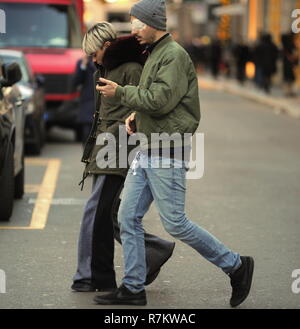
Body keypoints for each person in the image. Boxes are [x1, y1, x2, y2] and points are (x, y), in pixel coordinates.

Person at [93, 0, 254, 307]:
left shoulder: (173, 55)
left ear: (153, 23)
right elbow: (161, 104)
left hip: (168, 149)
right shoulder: (156, 53)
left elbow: (161, 99)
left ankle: (236, 265)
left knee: (175, 222)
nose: (135, 31)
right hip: (149, 146)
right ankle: (133, 288)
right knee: (127, 216)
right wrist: (136, 117)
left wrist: (122, 93)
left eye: (138, 24)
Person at [71, 22, 175, 293]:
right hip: (106, 149)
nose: (92, 59)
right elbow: (101, 118)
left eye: (94, 53)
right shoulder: (104, 68)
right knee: (110, 212)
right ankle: (154, 249)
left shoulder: (130, 70)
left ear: (106, 46)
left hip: (118, 148)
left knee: (97, 211)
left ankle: (90, 276)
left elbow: (143, 107)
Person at [72, 54, 96, 145]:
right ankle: (87, 155)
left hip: (100, 101)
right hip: (87, 102)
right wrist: (83, 65)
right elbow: (76, 82)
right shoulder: (82, 63)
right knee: (87, 132)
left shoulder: (102, 62)